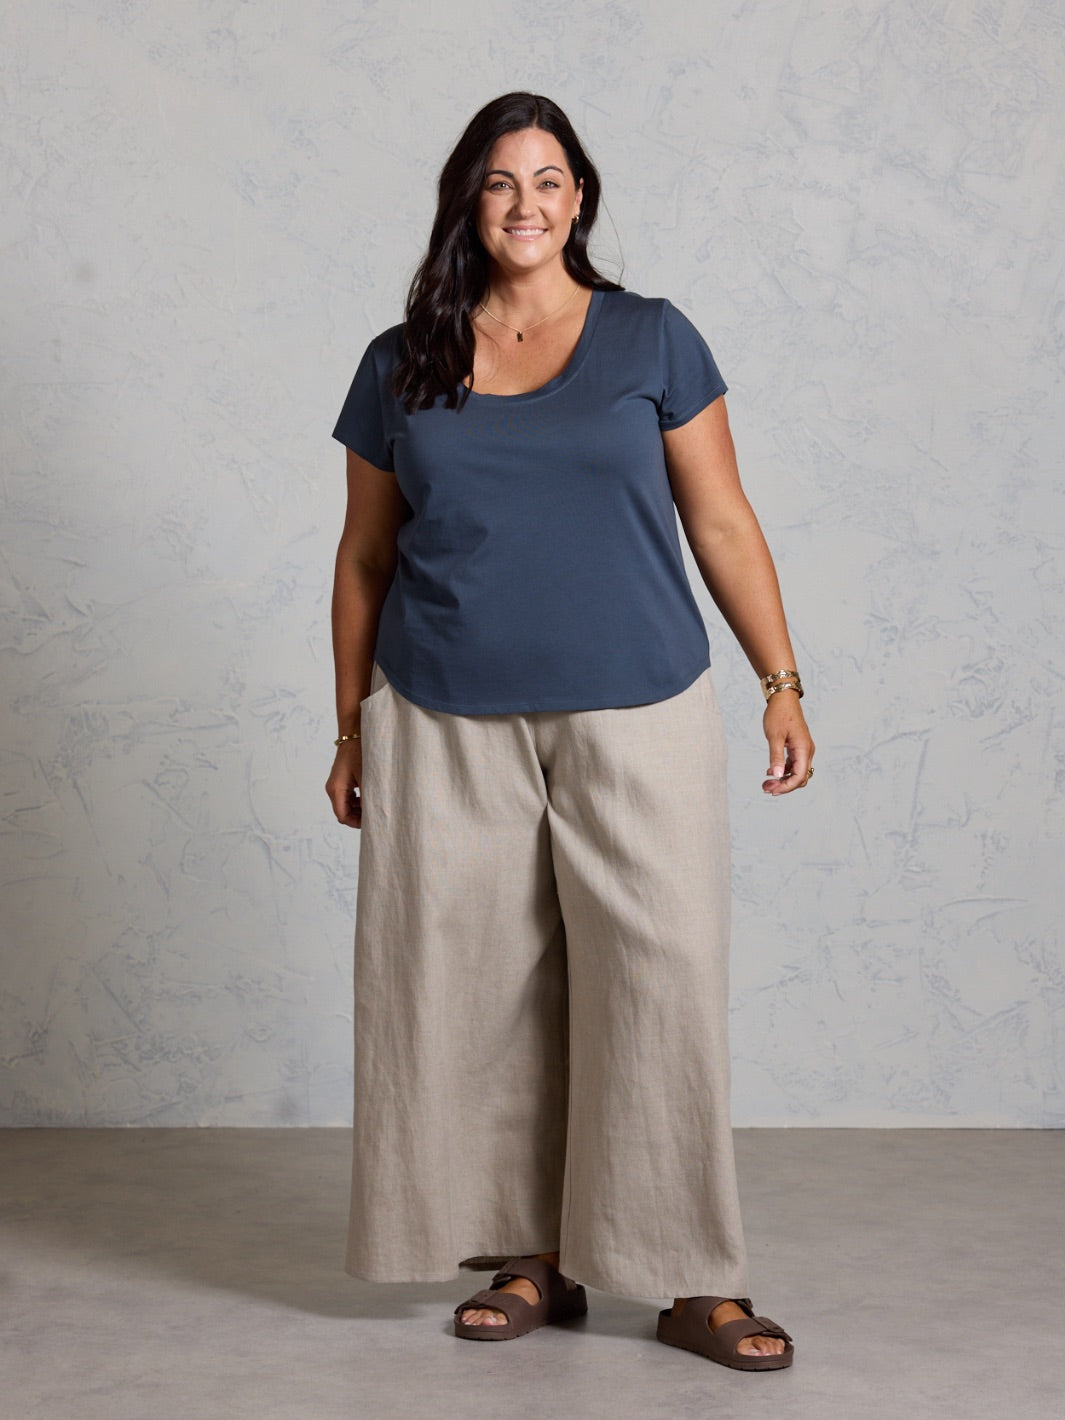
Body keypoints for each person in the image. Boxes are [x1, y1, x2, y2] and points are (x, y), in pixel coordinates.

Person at [326, 92, 813, 1373]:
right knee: (480, 989)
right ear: (468, 202)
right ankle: (528, 1255)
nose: (526, 204)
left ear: (579, 198)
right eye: (501, 182)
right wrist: (350, 729)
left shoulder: (653, 337)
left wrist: (780, 679)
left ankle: (693, 1277)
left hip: (638, 703)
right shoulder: (399, 361)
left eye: (548, 180)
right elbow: (364, 556)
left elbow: (722, 518)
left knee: (659, 980)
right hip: (441, 713)